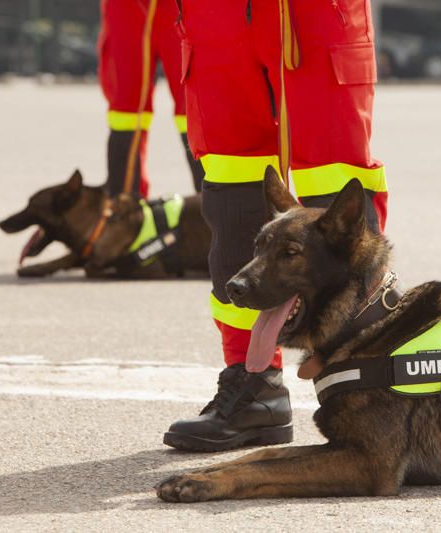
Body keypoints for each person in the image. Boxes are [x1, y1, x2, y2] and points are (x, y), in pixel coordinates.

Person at [163, 0, 389, 452]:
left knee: (338, 191)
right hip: (215, 17)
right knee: (232, 196)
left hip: (313, 12)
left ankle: (371, 383)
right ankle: (253, 387)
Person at [98, 0, 204, 197]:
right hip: (128, 7)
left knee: (195, 102)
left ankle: (212, 207)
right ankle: (124, 209)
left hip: (182, 6)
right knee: (125, 110)